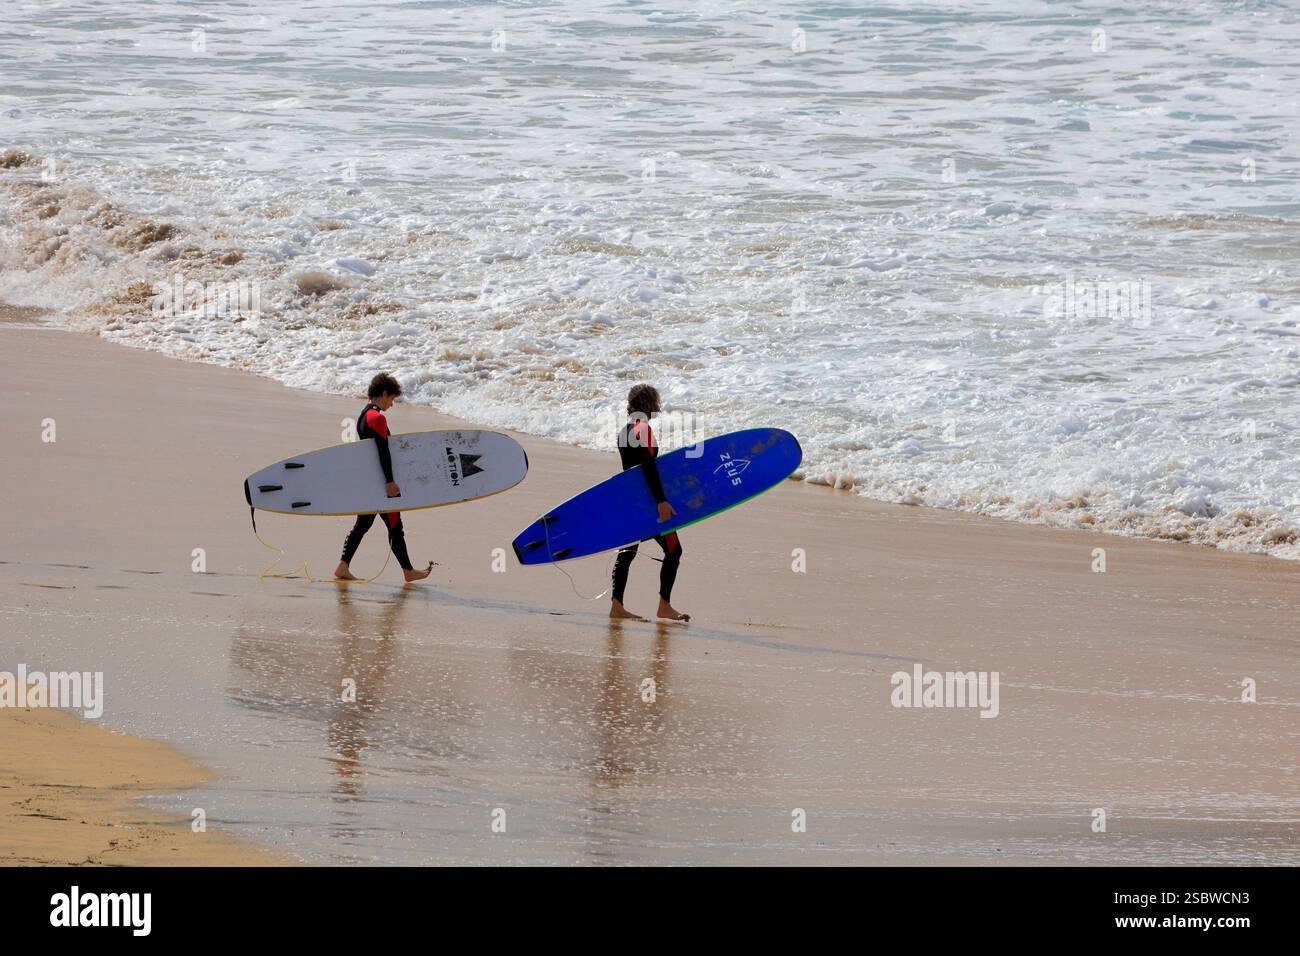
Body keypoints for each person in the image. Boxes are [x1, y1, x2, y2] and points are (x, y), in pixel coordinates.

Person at [334, 373, 433, 584]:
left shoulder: (363, 415)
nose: (392, 405)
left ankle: (343, 566)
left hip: (371, 483)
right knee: (395, 525)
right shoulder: (377, 418)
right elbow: (382, 451)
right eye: (392, 399)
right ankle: (408, 571)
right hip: (380, 484)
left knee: (363, 525)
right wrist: (389, 481)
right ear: (384, 394)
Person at [609, 384, 690, 622]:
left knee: (627, 552)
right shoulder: (642, 429)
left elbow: (631, 470)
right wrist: (661, 502)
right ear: (649, 405)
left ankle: (617, 606)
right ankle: (664, 606)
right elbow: (648, 468)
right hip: (648, 504)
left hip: (630, 501)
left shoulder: (624, 431)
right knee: (674, 550)